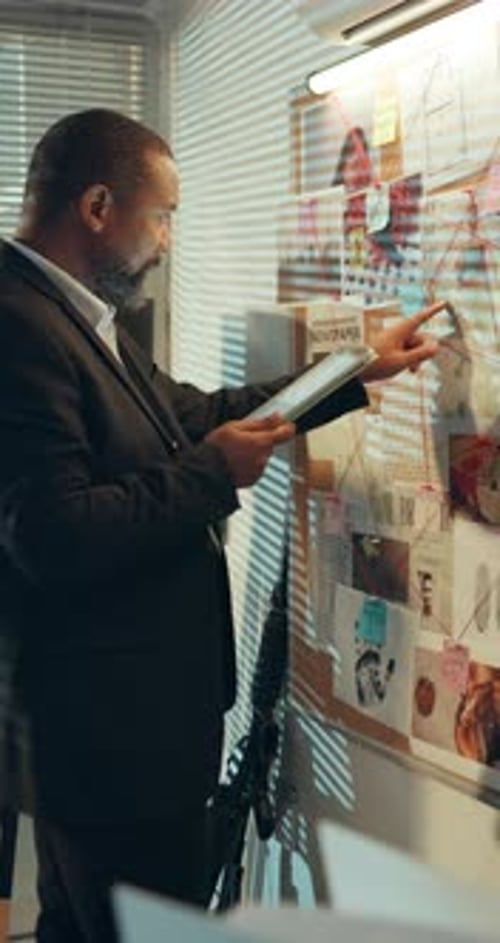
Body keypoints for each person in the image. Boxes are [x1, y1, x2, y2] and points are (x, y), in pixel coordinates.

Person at [0, 108, 443, 943]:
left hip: (128, 739)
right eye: (161, 215)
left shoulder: (78, 315)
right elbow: (50, 533)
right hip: (110, 753)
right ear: (99, 207)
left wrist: (355, 368)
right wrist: (212, 474)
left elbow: (195, 414)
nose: (166, 241)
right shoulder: (17, 323)